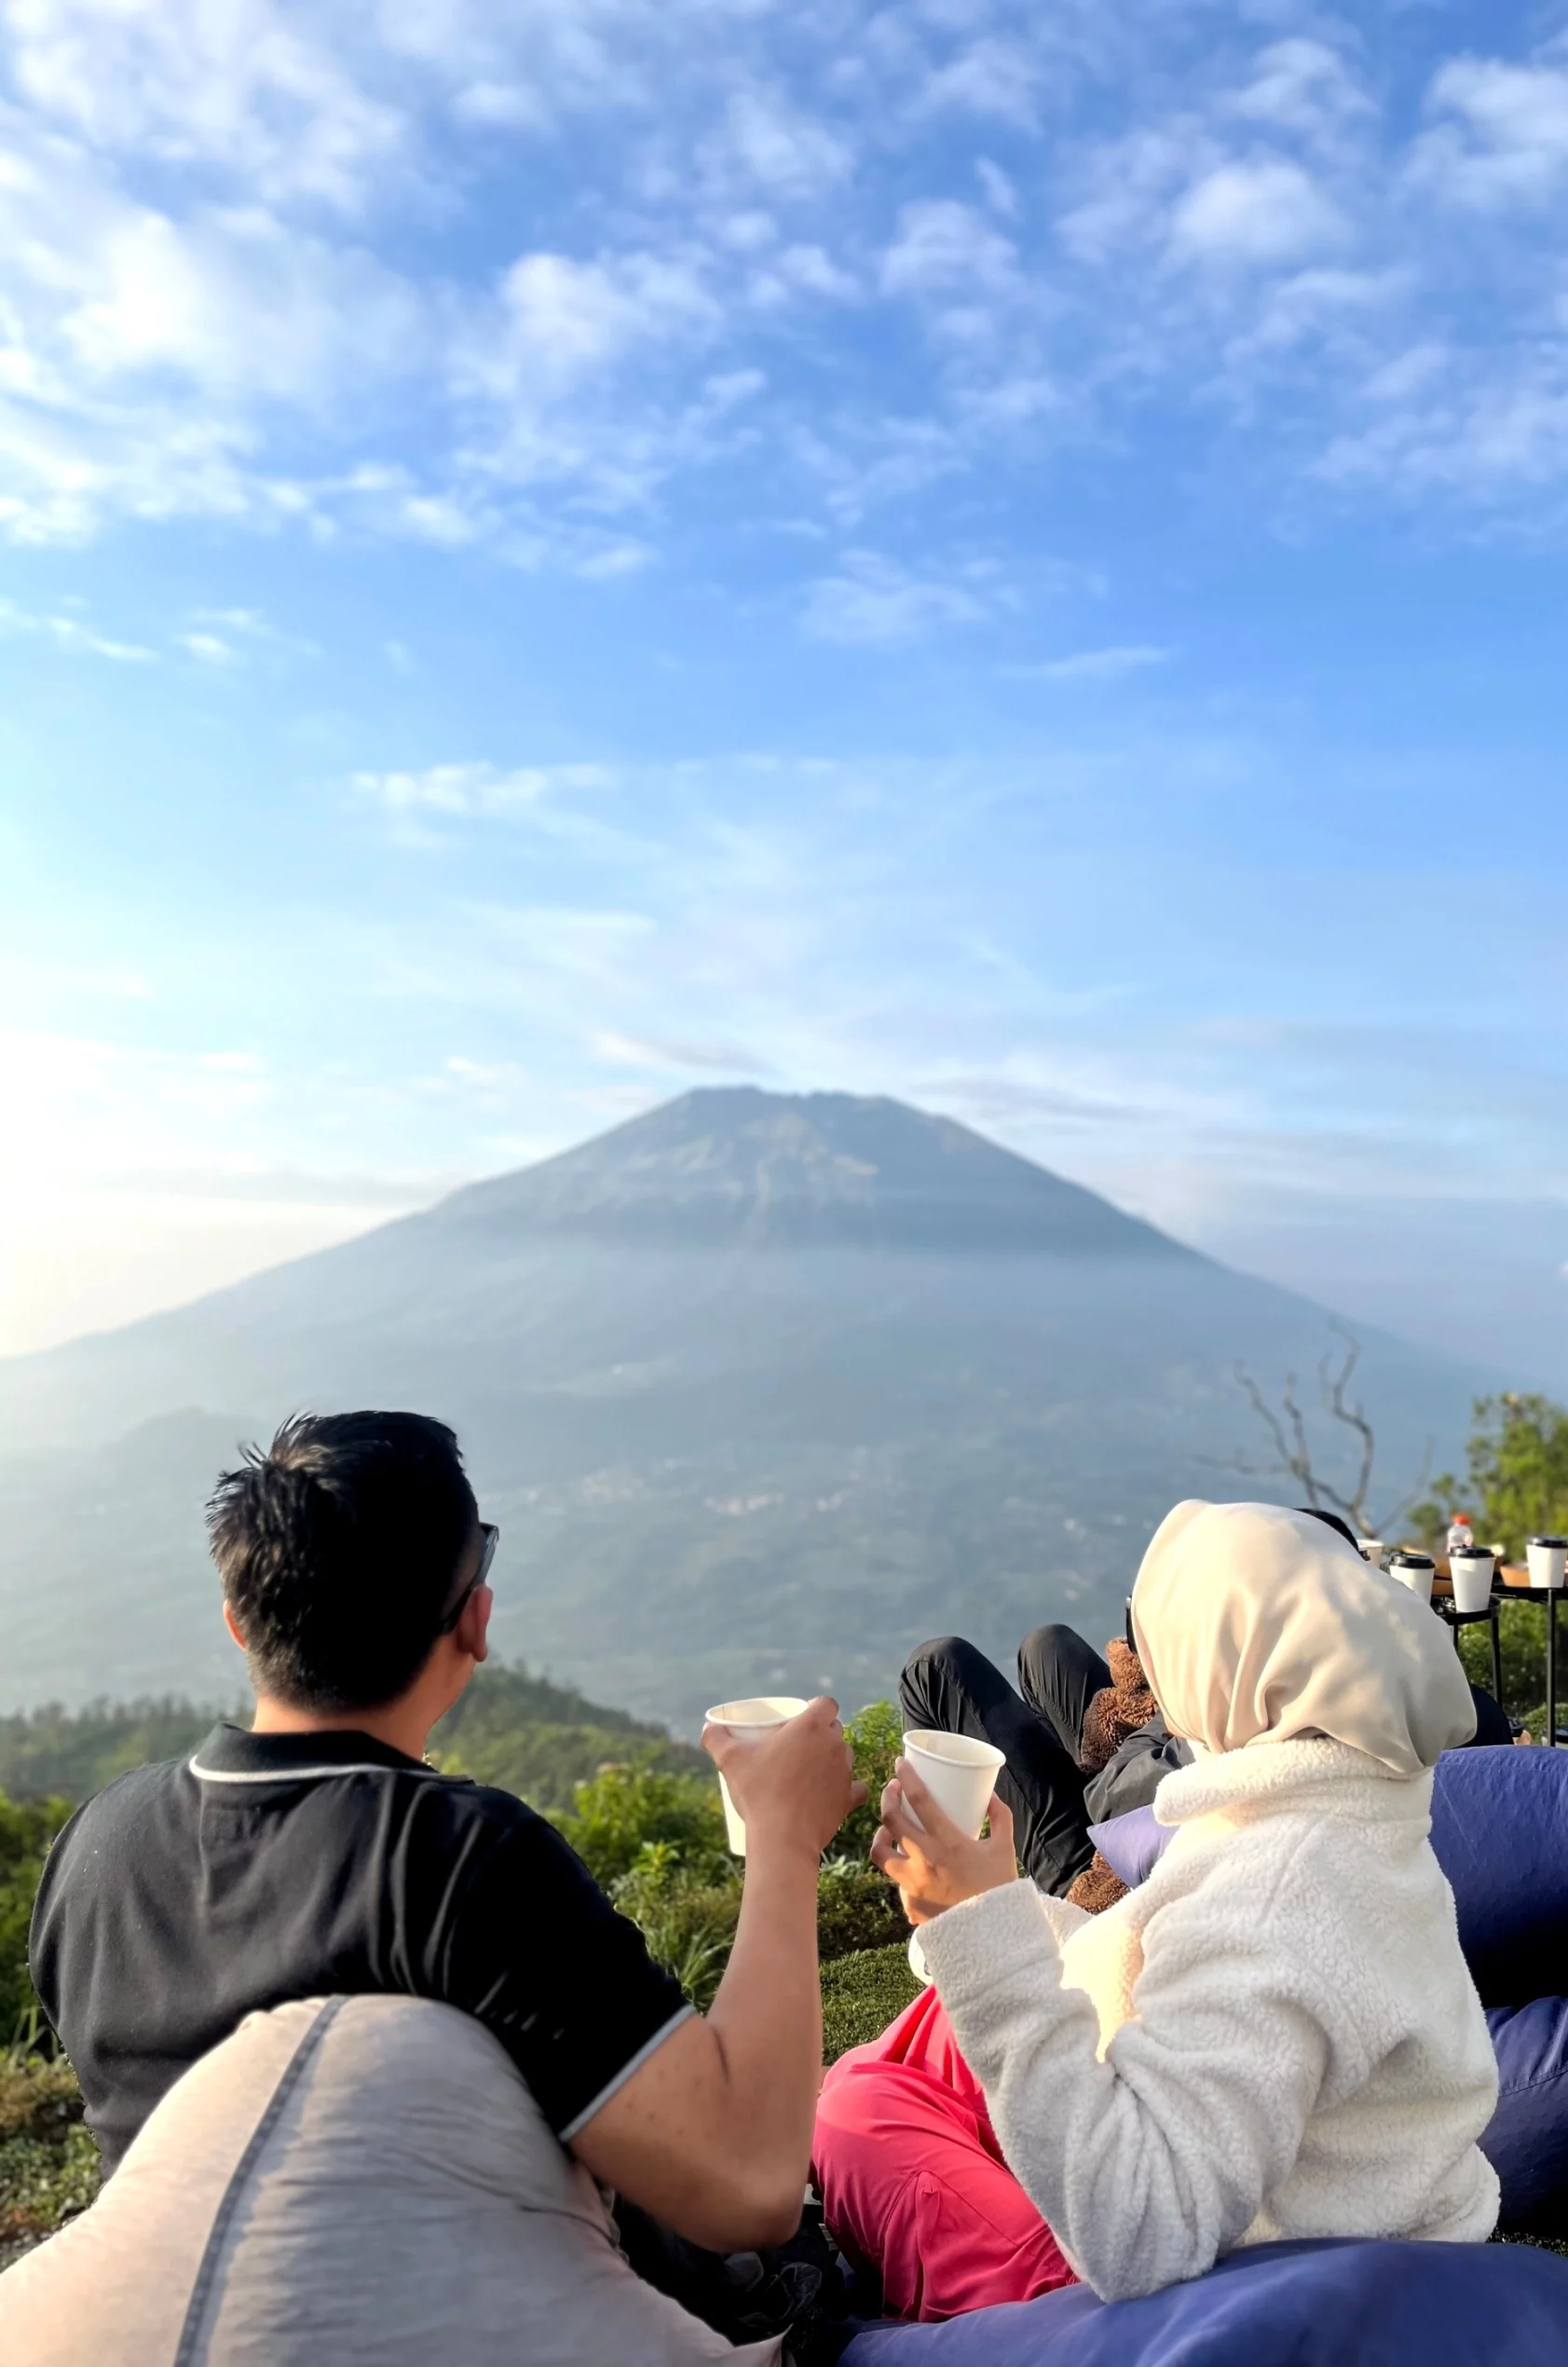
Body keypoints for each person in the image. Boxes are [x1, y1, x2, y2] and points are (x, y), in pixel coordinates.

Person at [31, 1409, 865, 2269]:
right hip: (517, 2318)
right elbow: (752, 2189)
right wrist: (783, 1837)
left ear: (239, 1622)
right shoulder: (458, 1859)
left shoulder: (98, 1842)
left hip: (167, 2312)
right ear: (475, 1621)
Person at [815, 1500, 1501, 2313]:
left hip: (1253, 2289)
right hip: (1339, 2207)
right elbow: (1188, 1947)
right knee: (919, 2037)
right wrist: (1005, 1915)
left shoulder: (1278, 1893)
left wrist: (977, 1925)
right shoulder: (1334, 1809)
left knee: (855, 2108)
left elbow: (1139, 2232)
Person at [899, 1507, 1511, 1909]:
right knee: (1047, 1645)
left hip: (1110, 1873)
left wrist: (1176, 1706)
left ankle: (942, 1882)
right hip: (1153, 1809)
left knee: (938, 1666)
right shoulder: (1435, 1707)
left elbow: (1109, 1801)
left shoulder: (1260, 1733)